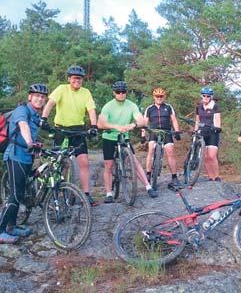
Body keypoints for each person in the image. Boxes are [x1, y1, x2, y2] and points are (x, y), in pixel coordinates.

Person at [40, 65, 98, 206]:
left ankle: (86, 194)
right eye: (74, 78)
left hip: (78, 130)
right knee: (62, 163)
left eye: (79, 78)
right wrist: (43, 118)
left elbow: (91, 110)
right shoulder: (61, 89)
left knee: (84, 162)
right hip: (61, 130)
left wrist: (94, 126)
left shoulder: (86, 92)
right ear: (69, 79)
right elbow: (50, 103)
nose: (77, 80)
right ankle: (60, 190)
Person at [0, 84, 48, 244]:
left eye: (42, 97)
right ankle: (1, 230)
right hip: (15, 156)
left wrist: (36, 145)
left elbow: (35, 131)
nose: (40, 98)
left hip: (27, 158)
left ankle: (12, 227)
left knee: (20, 192)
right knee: (15, 194)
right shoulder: (22, 110)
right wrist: (29, 142)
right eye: (36, 95)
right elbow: (23, 126)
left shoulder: (35, 115)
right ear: (30, 97)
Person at [97, 81, 157, 202]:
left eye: (123, 91)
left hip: (124, 137)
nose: (121, 94)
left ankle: (148, 186)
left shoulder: (131, 105)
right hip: (109, 137)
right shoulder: (108, 106)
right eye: (118, 92)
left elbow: (142, 121)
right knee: (108, 165)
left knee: (134, 161)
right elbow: (100, 124)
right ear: (114, 93)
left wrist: (133, 125)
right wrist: (115, 127)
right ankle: (109, 193)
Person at [143, 88, 182, 187]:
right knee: (151, 150)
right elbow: (144, 123)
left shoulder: (168, 107)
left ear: (164, 97)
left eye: (161, 96)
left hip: (166, 131)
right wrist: (142, 135)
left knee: (170, 152)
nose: (159, 98)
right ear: (154, 97)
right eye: (157, 96)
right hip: (154, 131)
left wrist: (177, 131)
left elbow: (173, 119)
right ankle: (148, 174)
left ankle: (174, 177)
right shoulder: (150, 108)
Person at [195, 87, 222, 181]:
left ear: (211, 97)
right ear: (201, 96)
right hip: (202, 132)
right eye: (204, 95)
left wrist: (218, 127)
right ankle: (211, 176)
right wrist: (195, 131)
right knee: (205, 156)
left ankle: (216, 176)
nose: (206, 97)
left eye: (208, 96)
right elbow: (197, 120)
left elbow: (217, 118)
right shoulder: (199, 107)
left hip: (212, 132)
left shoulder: (215, 106)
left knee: (212, 155)